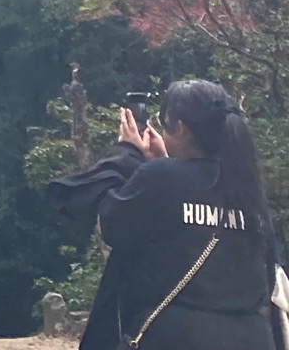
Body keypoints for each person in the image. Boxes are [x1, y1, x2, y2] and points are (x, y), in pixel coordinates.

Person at [50, 79, 282, 350]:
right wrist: (163, 164)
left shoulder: (160, 177)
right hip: (252, 337)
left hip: (180, 337)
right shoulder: (250, 188)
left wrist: (124, 153)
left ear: (180, 127)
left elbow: (110, 225)